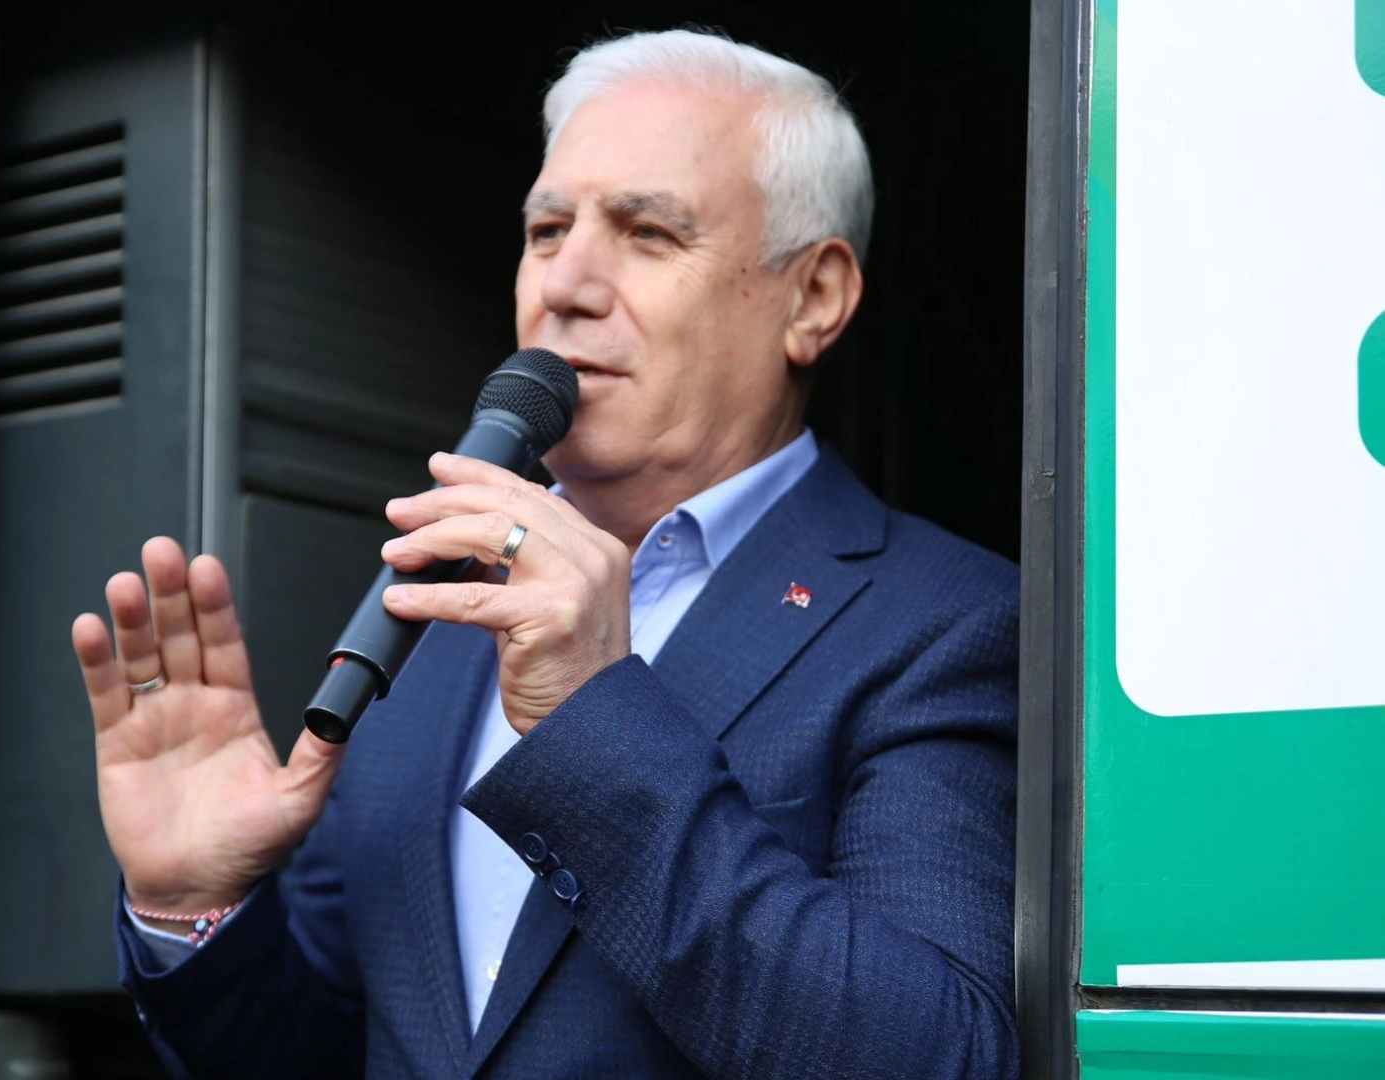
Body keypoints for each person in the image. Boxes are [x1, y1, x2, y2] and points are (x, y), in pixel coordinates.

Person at [72, 29, 1020, 1080]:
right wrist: (193, 905)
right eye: (547, 229)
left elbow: (938, 1056)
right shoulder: (438, 615)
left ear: (814, 298)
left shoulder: (947, 623)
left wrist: (592, 722)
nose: (565, 286)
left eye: (649, 233)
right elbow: (338, 1050)